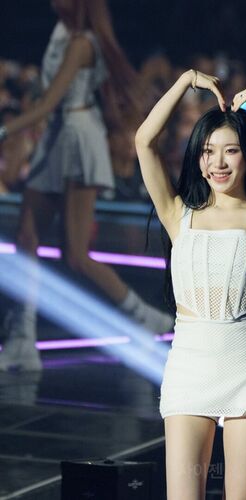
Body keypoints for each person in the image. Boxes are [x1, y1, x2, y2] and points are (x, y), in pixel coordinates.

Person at [135, 69, 246, 499]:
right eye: (208, 151)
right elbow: (144, 141)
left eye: (231, 150)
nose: (218, 163)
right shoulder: (178, 215)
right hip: (188, 371)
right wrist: (183, 82)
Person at [0, 0, 172, 372]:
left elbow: (48, 103)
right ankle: (22, 341)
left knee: (75, 255)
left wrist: (3, 130)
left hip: (77, 138)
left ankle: (144, 316)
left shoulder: (82, 43)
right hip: (57, 136)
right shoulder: (63, 33)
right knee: (26, 238)